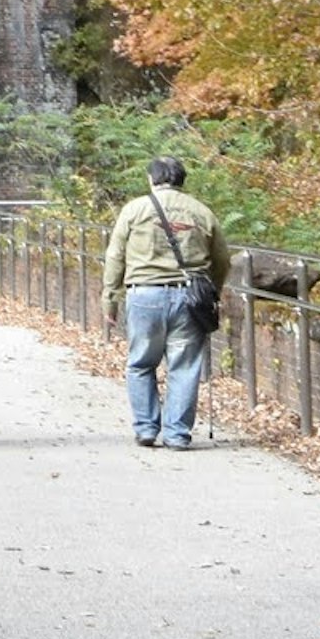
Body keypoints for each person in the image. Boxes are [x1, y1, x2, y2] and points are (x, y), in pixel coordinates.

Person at [102, 155, 230, 451]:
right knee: (184, 366)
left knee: (140, 363)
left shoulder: (134, 209)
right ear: (182, 179)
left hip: (144, 294)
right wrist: (212, 292)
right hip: (189, 297)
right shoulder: (202, 212)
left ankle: (146, 428)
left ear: (152, 179)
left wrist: (110, 298)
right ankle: (177, 434)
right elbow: (222, 259)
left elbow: (115, 256)